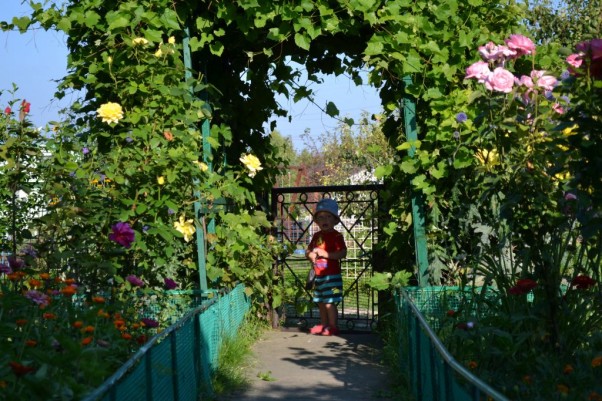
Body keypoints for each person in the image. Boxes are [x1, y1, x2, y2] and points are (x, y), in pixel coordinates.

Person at [305, 198, 347, 336]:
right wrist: (310, 254)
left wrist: (325, 253)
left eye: (329, 217)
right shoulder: (316, 236)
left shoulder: (336, 236)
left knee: (329, 302)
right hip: (319, 275)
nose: (325, 220)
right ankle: (323, 325)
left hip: (331, 275)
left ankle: (333, 326)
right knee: (321, 302)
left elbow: (342, 253)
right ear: (316, 221)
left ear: (335, 221)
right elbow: (308, 250)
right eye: (321, 217)